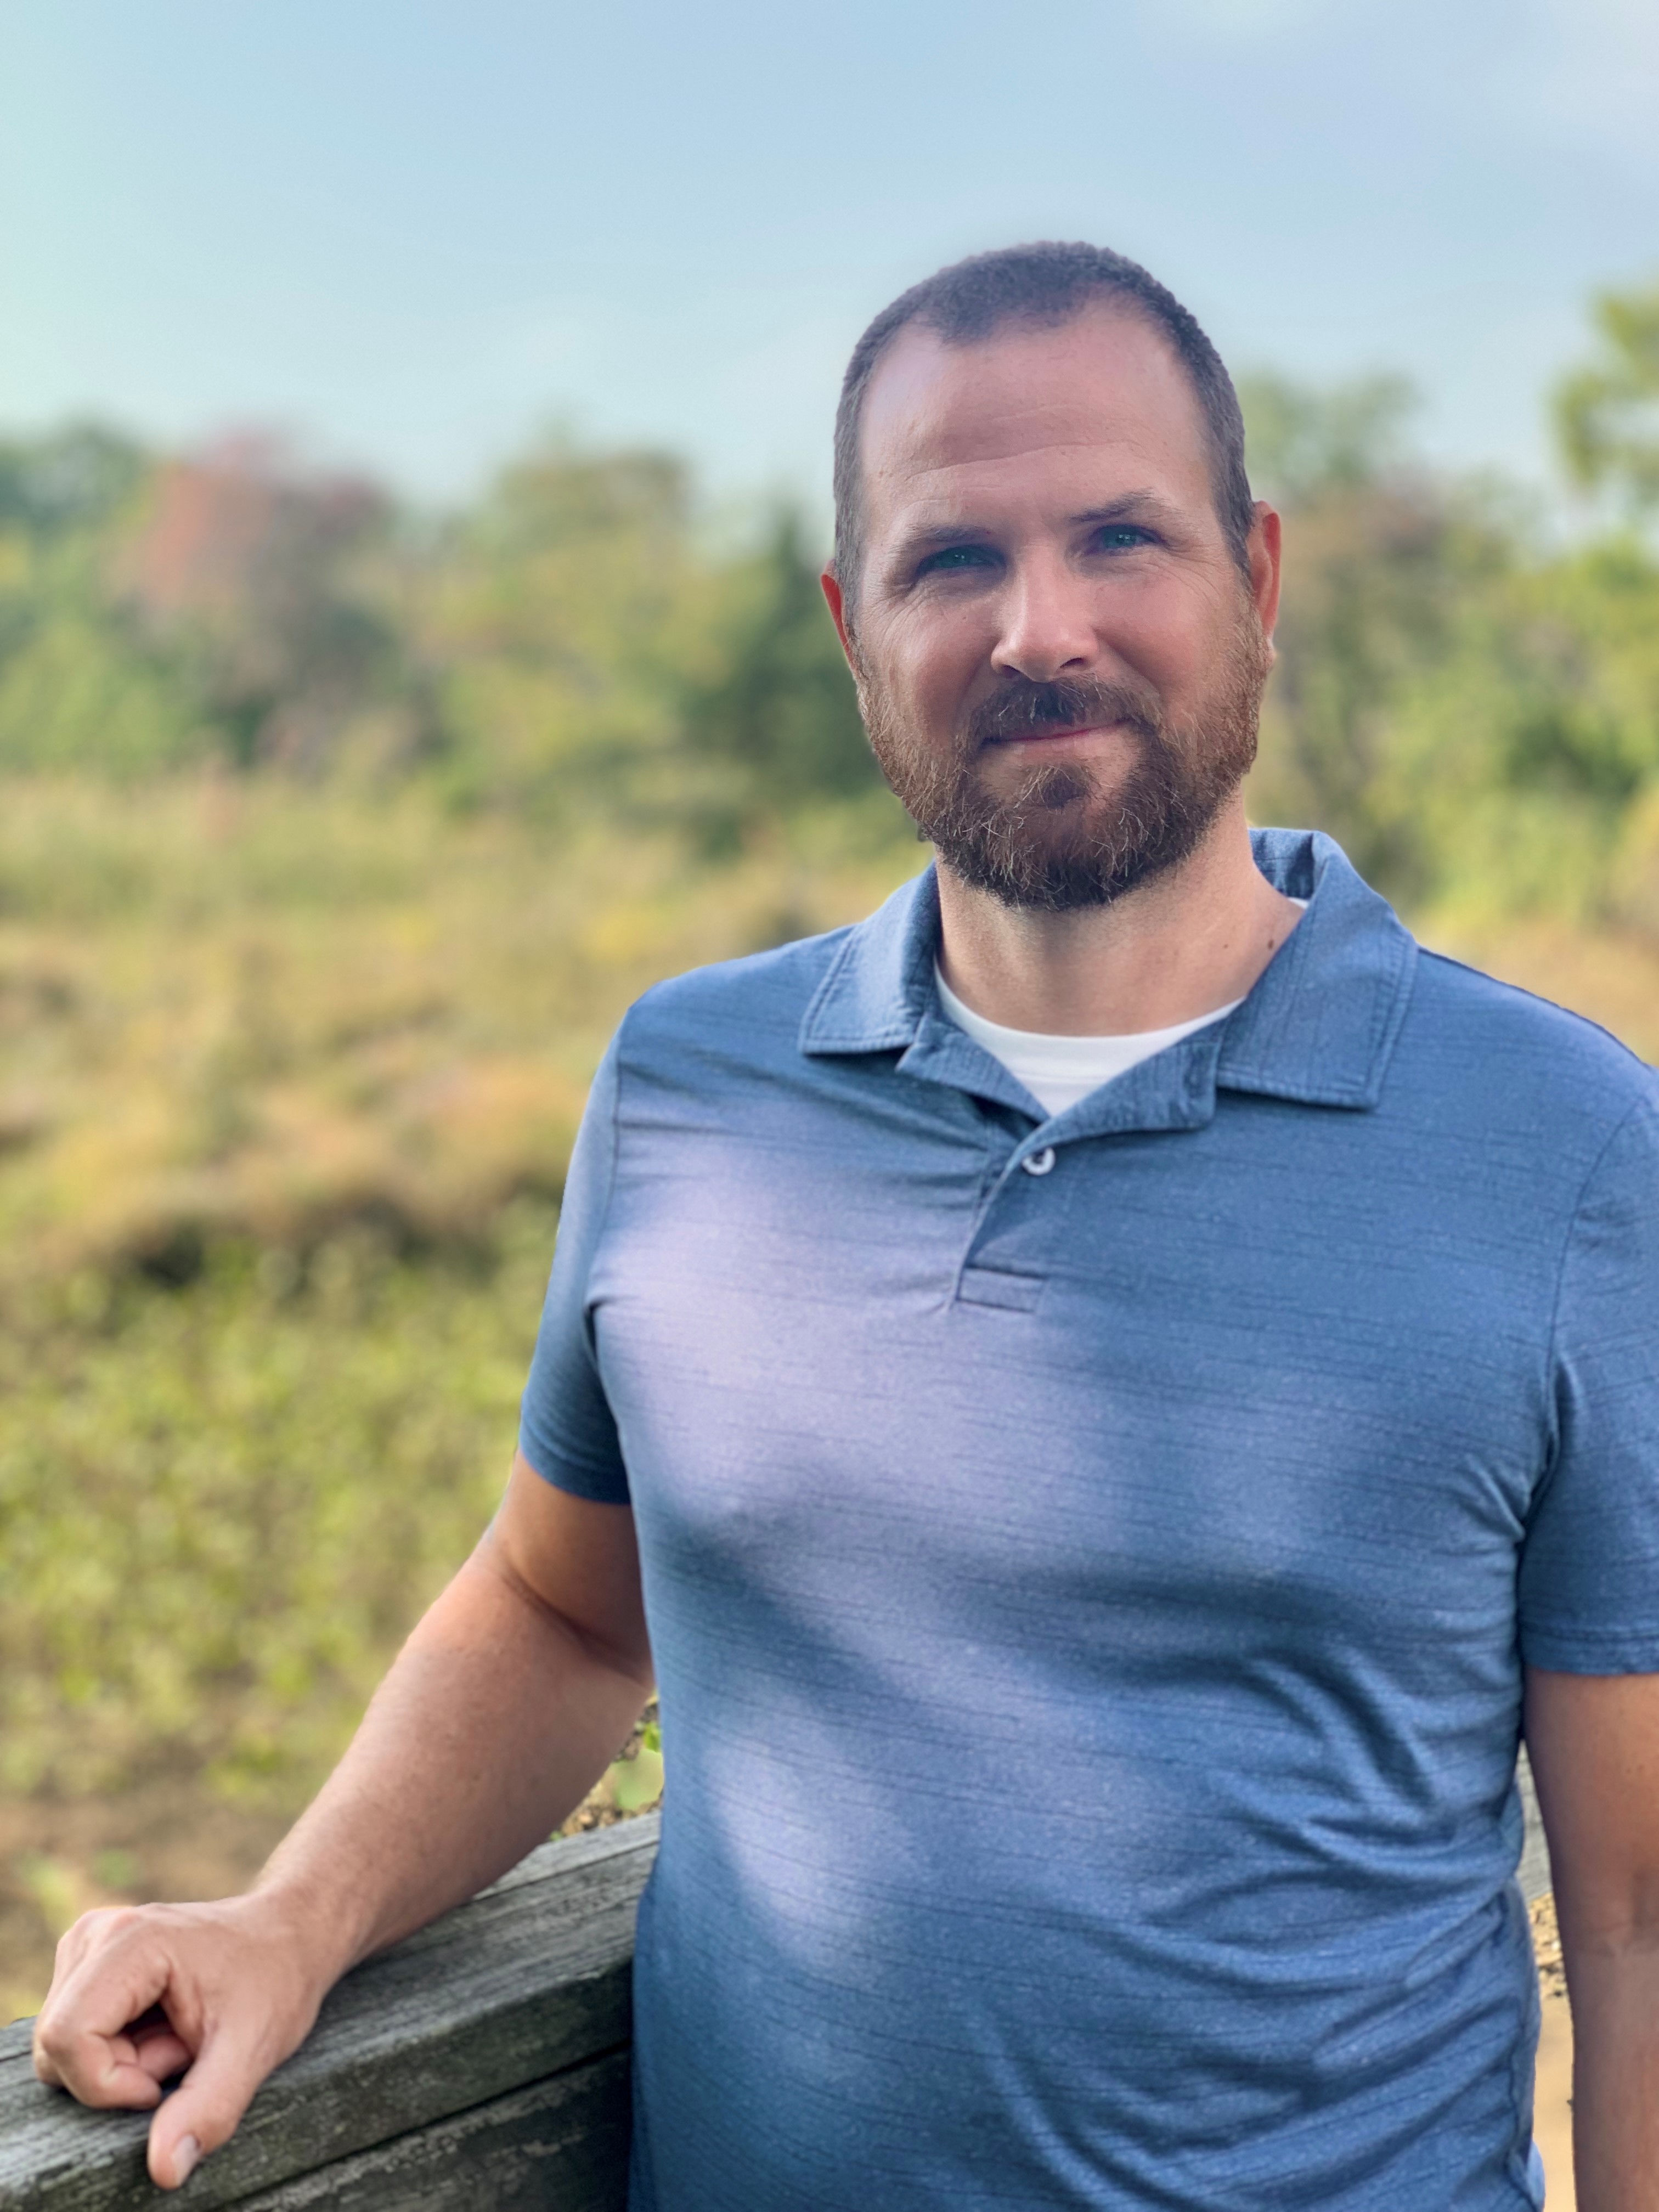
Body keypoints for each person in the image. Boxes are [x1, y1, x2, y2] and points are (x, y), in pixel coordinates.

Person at [33, 242, 1659, 2211]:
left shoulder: (1566, 1147)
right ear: (850, 625)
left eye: (1121, 537)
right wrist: (286, 1922)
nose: (1040, 628)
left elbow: (1637, 1913)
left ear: (1256, 577)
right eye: (951, 559)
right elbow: (564, 1612)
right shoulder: (688, 1088)